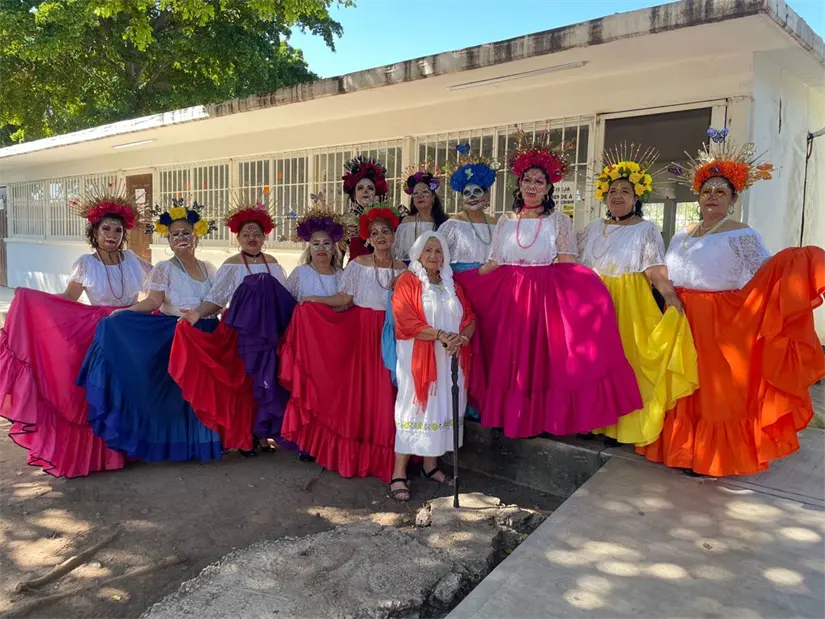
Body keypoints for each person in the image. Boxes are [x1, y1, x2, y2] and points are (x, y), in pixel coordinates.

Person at [638, 130, 825, 476]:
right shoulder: (683, 233)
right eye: (706, 191)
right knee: (682, 383)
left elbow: (763, 277)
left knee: (712, 389)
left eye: (720, 192)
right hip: (681, 316)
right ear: (698, 196)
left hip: (719, 320)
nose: (712, 197)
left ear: (733, 198)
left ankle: (710, 455)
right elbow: (669, 271)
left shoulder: (743, 234)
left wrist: (795, 265)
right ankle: (680, 449)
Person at [458, 129, 642, 437]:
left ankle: (542, 420)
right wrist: (460, 281)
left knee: (541, 363)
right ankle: (513, 416)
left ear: (548, 188)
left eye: (539, 181)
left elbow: (568, 261)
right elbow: (493, 264)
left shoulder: (559, 221)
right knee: (511, 362)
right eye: (527, 180)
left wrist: (591, 290)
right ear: (519, 184)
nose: (532, 186)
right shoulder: (505, 221)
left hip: (542, 300)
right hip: (509, 301)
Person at [0, 189, 148, 477]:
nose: (112, 234)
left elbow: (158, 285)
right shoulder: (86, 263)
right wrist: (33, 298)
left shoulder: (133, 260)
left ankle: (130, 449)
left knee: (130, 390)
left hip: (131, 329)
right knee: (101, 392)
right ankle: (103, 456)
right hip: (101, 333)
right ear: (95, 231)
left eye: (118, 230)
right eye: (106, 228)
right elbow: (68, 298)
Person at [78, 199, 223, 463]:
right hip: (177, 335)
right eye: (174, 234)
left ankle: (203, 444)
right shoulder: (164, 268)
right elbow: (153, 302)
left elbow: (218, 300)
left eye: (185, 233)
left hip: (207, 335)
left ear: (196, 236)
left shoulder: (209, 268)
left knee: (202, 393)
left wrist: (202, 314)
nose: (181, 238)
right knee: (178, 395)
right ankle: (176, 446)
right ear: (168, 241)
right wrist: (124, 313)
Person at [579, 145, 698, 446]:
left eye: (625, 191)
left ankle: (622, 426)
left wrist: (669, 296)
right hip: (593, 302)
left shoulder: (646, 229)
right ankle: (593, 421)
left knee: (626, 361)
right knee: (592, 363)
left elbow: (655, 269)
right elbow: (571, 261)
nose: (617, 196)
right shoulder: (593, 227)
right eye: (613, 190)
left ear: (637, 198)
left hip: (628, 302)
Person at [280, 203, 406, 483]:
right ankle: (356, 455)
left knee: (387, 394)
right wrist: (315, 300)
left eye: (386, 231)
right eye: (375, 233)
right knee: (361, 394)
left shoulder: (404, 269)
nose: (381, 236)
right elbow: (345, 299)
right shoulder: (358, 266)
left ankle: (389, 459)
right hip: (360, 332)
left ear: (393, 236)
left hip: (389, 334)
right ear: (368, 239)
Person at [174, 201, 296, 456]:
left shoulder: (273, 263)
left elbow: (283, 297)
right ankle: (248, 435)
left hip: (269, 332)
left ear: (264, 237)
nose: (252, 238)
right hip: (240, 333)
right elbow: (217, 299)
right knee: (246, 384)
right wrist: (197, 314)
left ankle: (265, 434)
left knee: (269, 381)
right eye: (246, 234)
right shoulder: (230, 264)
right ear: (238, 238)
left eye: (256, 234)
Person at [390, 232, 476, 501]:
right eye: (428, 250)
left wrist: (462, 338)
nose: (433, 256)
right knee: (413, 410)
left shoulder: (452, 284)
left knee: (441, 410)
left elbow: (470, 317)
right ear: (418, 253)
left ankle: (430, 466)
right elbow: (405, 320)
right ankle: (399, 474)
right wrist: (440, 335)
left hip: (450, 357)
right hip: (420, 358)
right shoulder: (408, 281)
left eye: (438, 251)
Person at [438, 145, 499, 419]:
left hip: (492, 291)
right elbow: (438, 259)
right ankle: (466, 400)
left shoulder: (499, 223)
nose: (472, 197)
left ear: (487, 194)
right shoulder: (450, 225)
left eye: (477, 191)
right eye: (467, 192)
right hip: (462, 289)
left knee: (489, 342)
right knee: (465, 338)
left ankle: (488, 397)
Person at [285, 195, 346, 304]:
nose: (321, 248)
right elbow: (284, 302)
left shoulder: (341, 275)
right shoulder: (300, 273)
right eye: (316, 244)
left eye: (326, 243)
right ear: (310, 250)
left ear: (333, 249)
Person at [392, 164, 448, 262]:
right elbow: (399, 253)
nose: (419, 196)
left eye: (425, 192)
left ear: (433, 197)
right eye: (415, 193)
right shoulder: (407, 222)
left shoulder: (444, 222)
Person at [342, 155, 389, 260]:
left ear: (376, 193)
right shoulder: (345, 220)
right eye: (360, 188)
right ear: (354, 194)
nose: (366, 191)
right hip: (355, 271)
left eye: (370, 188)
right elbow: (339, 257)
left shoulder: (386, 217)